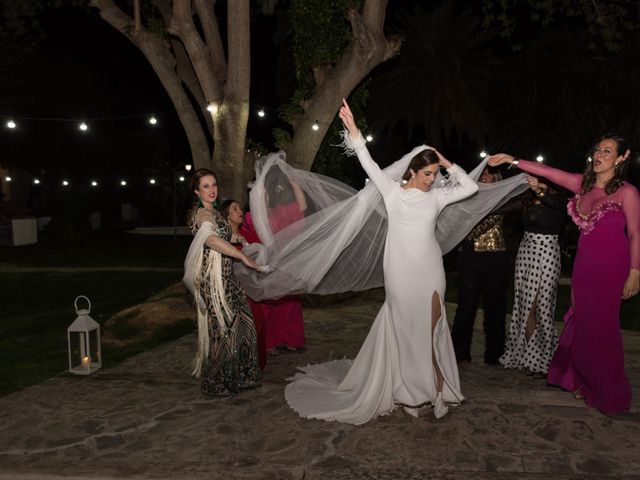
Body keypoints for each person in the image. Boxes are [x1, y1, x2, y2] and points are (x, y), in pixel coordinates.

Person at [283, 99, 479, 424]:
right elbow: (368, 163)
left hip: (431, 271)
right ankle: (411, 394)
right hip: (400, 272)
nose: (432, 179)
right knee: (407, 333)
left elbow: (470, 187)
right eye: (427, 173)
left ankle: (440, 390)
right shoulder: (393, 193)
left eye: (435, 174)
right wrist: (355, 132)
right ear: (412, 171)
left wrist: (446, 162)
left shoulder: (439, 197)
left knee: (433, 330)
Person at [489, 134, 640, 414]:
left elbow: (635, 232)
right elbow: (548, 171)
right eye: (598, 149)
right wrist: (514, 161)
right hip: (584, 266)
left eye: (607, 151)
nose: (600, 154)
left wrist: (635, 271)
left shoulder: (627, 192)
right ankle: (585, 382)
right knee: (581, 325)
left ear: (621, 158)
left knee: (604, 329)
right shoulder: (581, 186)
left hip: (612, 266)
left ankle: (612, 395)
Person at [182, 169, 263, 396]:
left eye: (214, 184)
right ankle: (218, 382)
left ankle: (243, 376)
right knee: (224, 331)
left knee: (245, 325)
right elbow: (211, 239)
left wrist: (241, 239)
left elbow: (226, 235)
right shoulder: (200, 215)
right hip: (213, 282)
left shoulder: (216, 213)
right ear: (197, 191)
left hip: (228, 278)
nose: (212, 190)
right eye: (205, 186)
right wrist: (242, 256)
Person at [499, 176, 566, 377]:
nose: (532, 182)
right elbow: (503, 206)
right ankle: (530, 356)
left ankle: (545, 356)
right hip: (526, 252)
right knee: (525, 305)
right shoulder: (527, 200)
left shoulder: (559, 201)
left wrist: (540, 190)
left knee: (541, 306)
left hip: (547, 253)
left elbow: (551, 201)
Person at [240, 171, 307, 355]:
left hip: (283, 265)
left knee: (289, 302)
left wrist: (294, 183)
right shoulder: (248, 218)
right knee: (267, 306)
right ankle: (268, 343)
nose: (265, 197)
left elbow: (301, 207)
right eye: (261, 195)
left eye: (266, 194)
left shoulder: (277, 212)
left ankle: (290, 339)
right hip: (261, 269)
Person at [451, 167, 510, 366]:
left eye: (488, 174)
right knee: (466, 306)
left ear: (497, 178)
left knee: (495, 307)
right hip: (471, 258)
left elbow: (480, 224)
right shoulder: (469, 195)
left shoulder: (502, 197)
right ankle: (459, 353)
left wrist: (463, 231)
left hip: (494, 259)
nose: (484, 177)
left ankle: (494, 354)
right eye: (482, 173)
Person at [217, 198, 267, 370]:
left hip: (252, 290)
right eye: (234, 209)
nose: (240, 211)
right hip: (234, 292)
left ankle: (253, 366)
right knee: (238, 330)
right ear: (227, 217)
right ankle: (238, 366)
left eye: (239, 207)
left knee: (258, 326)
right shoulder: (223, 240)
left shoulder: (249, 236)